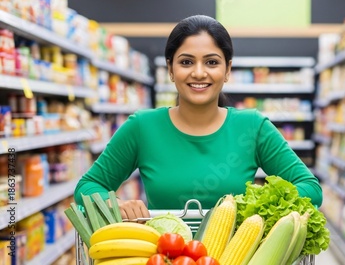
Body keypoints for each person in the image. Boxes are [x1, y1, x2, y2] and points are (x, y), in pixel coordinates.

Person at [74, 14, 322, 220]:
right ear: (170, 69)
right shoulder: (142, 127)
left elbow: (310, 189)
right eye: (186, 62)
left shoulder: (252, 127)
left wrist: (257, 206)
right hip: (164, 254)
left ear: (227, 70)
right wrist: (114, 204)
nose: (199, 72)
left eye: (212, 62)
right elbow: (86, 188)